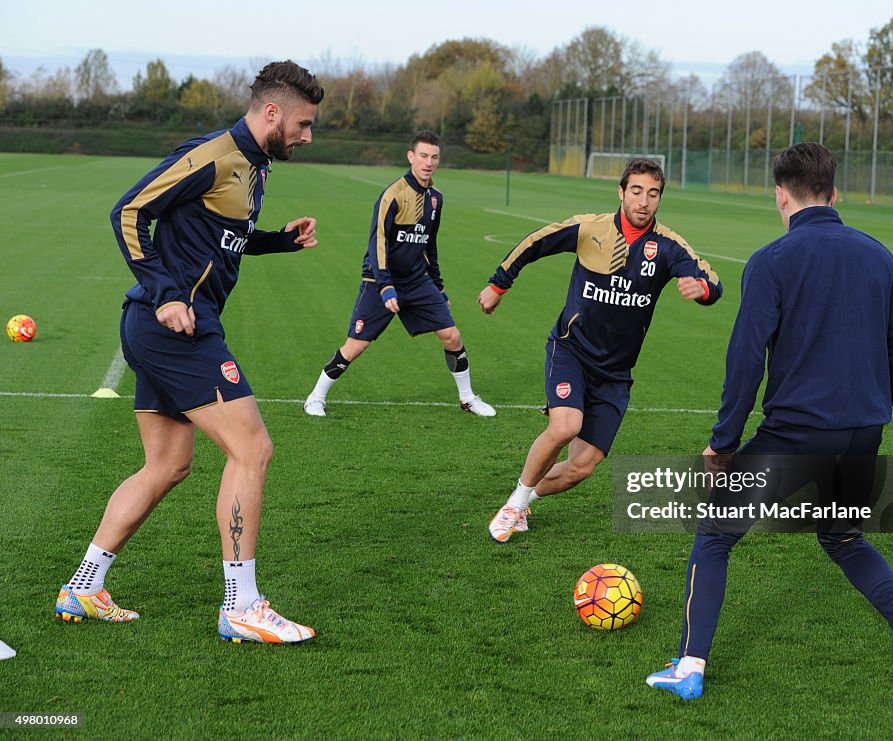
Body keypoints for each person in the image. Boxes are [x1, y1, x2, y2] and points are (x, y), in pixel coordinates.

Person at [646, 142, 893, 700]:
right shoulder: (879, 255)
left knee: (713, 536)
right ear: (835, 193)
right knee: (844, 537)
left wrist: (723, 443)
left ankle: (688, 668)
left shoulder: (772, 260)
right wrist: (874, 408)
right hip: (862, 431)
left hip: (794, 433)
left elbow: (744, 359)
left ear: (780, 196)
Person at [55, 61, 325, 644]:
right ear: (271, 112)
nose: (307, 136)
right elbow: (129, 212)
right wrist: (167, 295)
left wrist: (281, 241)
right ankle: (241, 605)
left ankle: (83, 586)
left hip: (164, 328)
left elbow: (224, 238)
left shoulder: (253, 168)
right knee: (252, 448)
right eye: (303, 124)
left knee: (167, 465)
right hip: (175, 327)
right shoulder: (213, 155)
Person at [480, 157, 722, 542]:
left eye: (653, 193)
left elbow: (710, 279)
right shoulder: (589, 229)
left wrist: (702, 290)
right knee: (566, 426)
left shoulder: (667, 246)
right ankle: (514, 503)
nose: (644, 201)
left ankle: (523, 502)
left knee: (583, 466)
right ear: (622, 192)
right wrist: (498, 285)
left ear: (660, 198)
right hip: (571, 351)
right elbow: (535, 242)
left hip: (615, 373)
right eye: (637, 191)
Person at [303, 130, 495, 417]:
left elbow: (430, 246)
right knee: (355, 346)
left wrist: (439, 288)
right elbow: (377, 240)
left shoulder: (436, 199)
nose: (429, 162)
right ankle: (315, 397)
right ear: (410, 157)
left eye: (434, 157)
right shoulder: (392, 195)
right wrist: (385, 286)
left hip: (418, 281)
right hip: (380, 280)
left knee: (452, 336)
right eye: (423, 156)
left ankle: (467, 398)